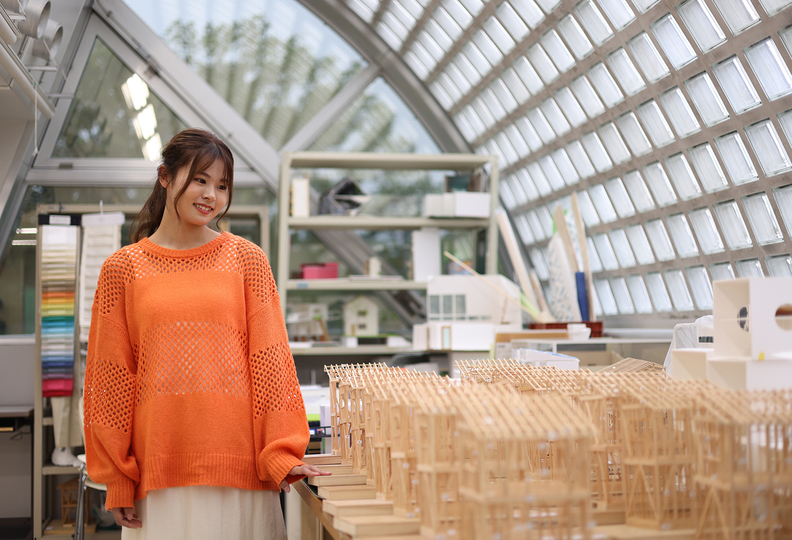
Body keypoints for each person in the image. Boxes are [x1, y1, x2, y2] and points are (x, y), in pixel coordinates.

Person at [83, 128, 329, 539]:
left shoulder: (247, 260)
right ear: (165, 177)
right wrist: (118, 476)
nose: (210, 195)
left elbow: (272, 366)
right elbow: (109, 382)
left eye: (222, 185)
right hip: (158, 476)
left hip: (241, 473)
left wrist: (284, 454)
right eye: (200, 179)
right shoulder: (122, 270)